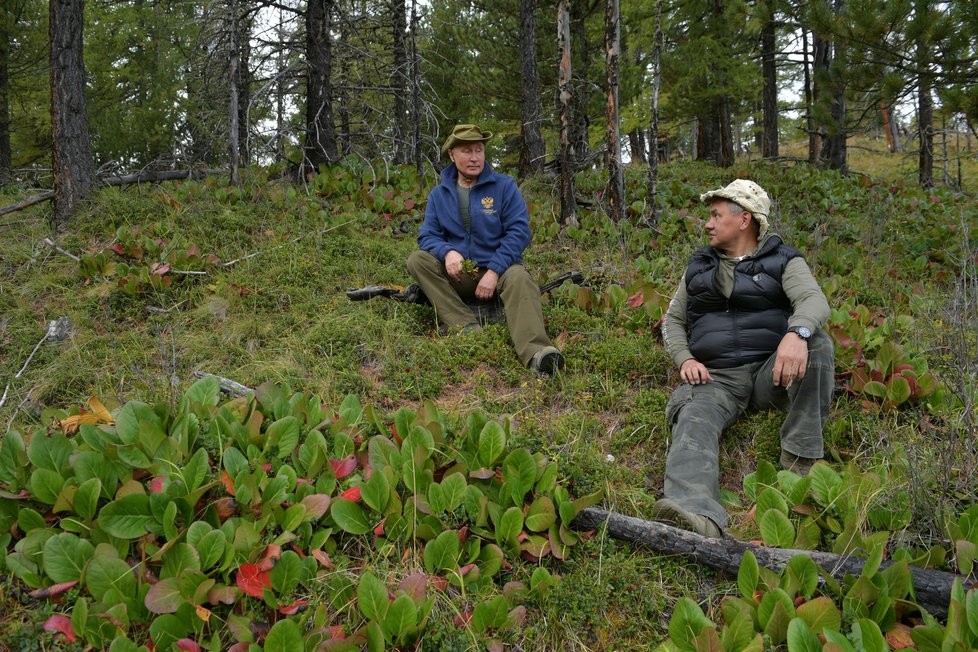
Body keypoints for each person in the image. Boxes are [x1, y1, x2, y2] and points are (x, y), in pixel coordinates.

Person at [651, 179, 834, 538]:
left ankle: (799, 462)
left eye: (716, 215)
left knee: (819, 343)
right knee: (694, 418)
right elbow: (673, 319)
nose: (708, 223)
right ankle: (694, 512)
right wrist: (685, 359)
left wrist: (797, 335)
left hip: (772, 373)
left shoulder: (784, 259)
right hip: (716, 378)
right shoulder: (699, 266)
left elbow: (814, 302)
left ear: (744, 219)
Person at [407, 124, 565, 375]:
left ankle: (537, 353)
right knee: (418, 261)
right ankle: (466, 327)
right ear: (452, 155)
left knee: (521, 278)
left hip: (500, 274)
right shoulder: (439, 194)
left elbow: (519, 232)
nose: (474, 157)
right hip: (460, 275)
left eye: (479, 150)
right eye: (467, 151)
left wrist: (494, 271)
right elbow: (427, 235)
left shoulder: (504, 186)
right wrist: (448, 252)